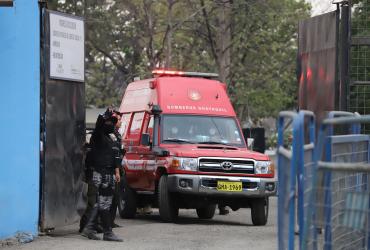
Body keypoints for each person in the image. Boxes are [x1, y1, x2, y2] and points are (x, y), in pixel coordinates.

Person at [81, 109, 123, 242]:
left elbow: (115, 156)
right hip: (102, 173)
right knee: (104, 203)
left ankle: (90, 228)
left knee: (101, 203)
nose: (111, 124)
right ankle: (107, 232)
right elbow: (99, 124)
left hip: (108, 173)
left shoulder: (110, 138)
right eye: (109, 122)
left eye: (113, 122)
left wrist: (116, 170)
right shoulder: (98, 135)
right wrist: (105, 115)